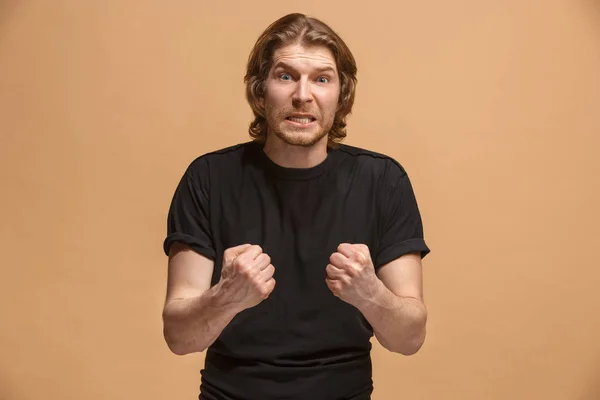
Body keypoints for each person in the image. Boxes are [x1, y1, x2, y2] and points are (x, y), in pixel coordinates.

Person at [161, 12, 431, 400]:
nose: (302, 95)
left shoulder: (384, 182)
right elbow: (178, 337)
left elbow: (410, 338)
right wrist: (227, 295)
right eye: (286, 76)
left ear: (342, 95)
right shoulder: (208, 178)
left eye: (321, 79)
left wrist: (370, 292)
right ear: (259, 91)